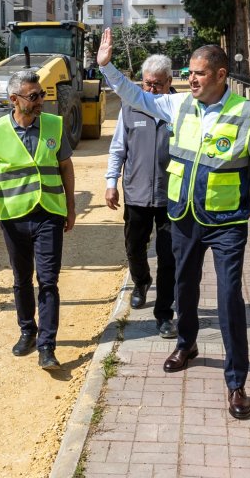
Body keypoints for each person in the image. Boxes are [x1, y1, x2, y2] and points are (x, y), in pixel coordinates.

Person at [96, 29, 250, 420]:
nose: (191, 79)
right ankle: (186, 343)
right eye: (189, 72)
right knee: (183, 286)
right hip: (184, 217)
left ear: (220, 75)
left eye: (199, 73)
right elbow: (135, 96)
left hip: (228, 221)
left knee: (230, 298)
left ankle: (236, 383)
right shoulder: (178, 106)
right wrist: (107, 66)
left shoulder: (246, 115)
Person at [0, 70, 77, 370]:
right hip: (14, 216)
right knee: (21, 279)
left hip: (49, 213)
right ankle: (27, 331)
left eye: (41, 94)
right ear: (14, 100)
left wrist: (70, 207)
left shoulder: (54, 125)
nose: (40, 100)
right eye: (33, 96)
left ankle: (47, 346)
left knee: (48, 280)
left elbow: (66, 167)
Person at [105, 54, 177, 339]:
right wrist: (112, 182)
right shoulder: (130, 107)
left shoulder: (181, 109)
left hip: (171, 195)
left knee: (168, 256)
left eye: (157, 84)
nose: (151, 90)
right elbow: (117, 149)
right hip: (136, 193)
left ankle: (164, 315)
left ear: (170, 82)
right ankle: (141, 281)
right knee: (134, 247)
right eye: (147, 84)